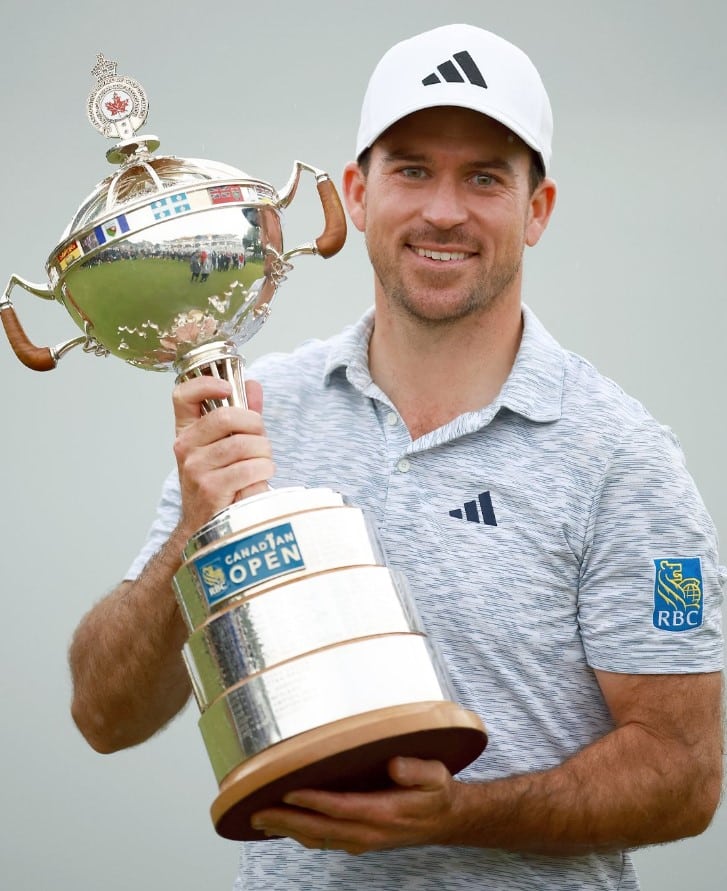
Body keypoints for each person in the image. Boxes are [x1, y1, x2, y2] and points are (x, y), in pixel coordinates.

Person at [68, 24, 724, 891]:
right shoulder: (257, 407)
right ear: (356, 193)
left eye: (483, 176)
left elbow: (684, 774)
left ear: (537, 209)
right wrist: (195, 529)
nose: (442, 209)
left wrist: (463, 816)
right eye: (411, 169)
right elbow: (104, 715)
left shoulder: (620, 457)